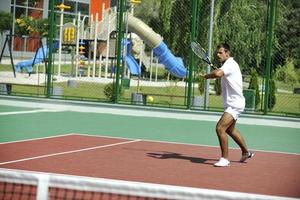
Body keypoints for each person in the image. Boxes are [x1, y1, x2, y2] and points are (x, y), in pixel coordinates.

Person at [202, 43, 254, 167]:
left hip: (235, 104)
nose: (218, 54)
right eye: (217, 53)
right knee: (230, 130)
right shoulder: (227, 65)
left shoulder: (230, 64)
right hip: (234, 103)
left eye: (220, 52)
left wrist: (206, 76)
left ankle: (225, 159)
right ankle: (246, 152)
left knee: (220, 128)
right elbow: (220, 73)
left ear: (227, 53)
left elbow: (217, 74)